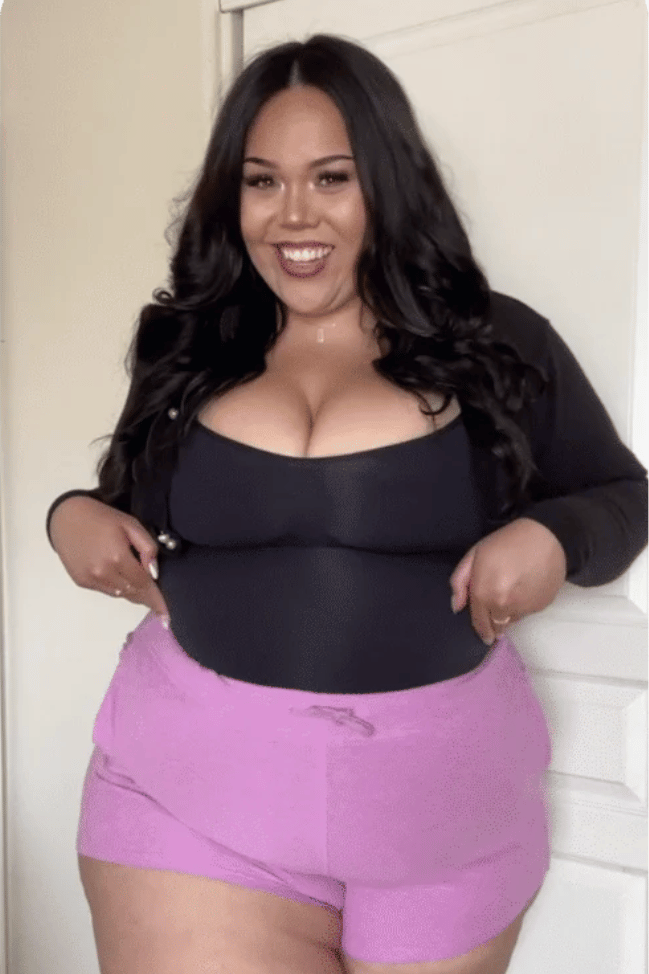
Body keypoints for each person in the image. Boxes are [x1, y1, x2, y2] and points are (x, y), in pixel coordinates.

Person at [46, 33, 647, 974]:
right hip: (192, 801)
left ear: (387, 184)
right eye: (261, 181)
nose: (293, 214)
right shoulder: (186, 341)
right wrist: (68, 517)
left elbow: (624, 497)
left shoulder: (497, 341)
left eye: (331, 178)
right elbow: (119, 502)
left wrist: (556, 533)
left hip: (442, 817)